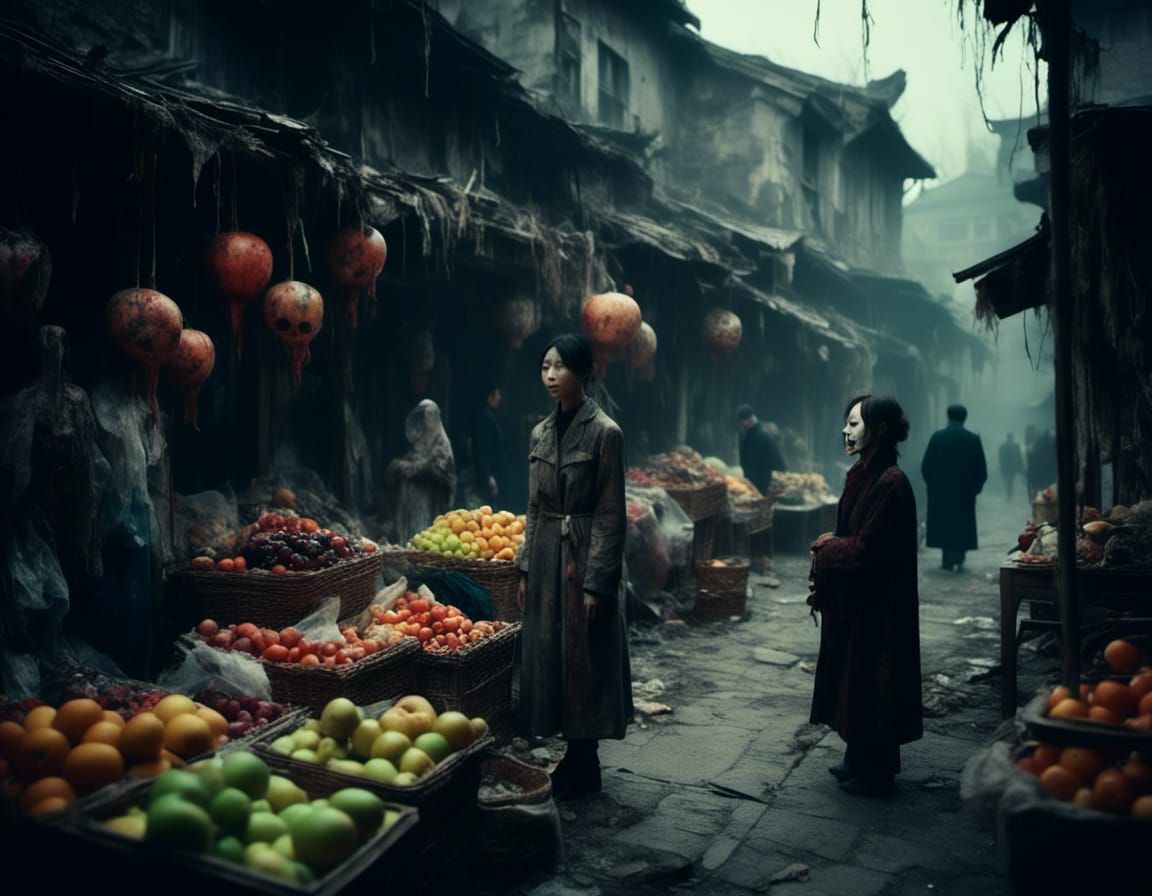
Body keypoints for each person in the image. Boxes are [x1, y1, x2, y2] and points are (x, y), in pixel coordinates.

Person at [516, 333, 633, 800]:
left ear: (583, 372)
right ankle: (569, 751)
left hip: (584, 554)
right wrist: (525, 566)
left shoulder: (605, 432)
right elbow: (531, 506)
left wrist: (597, 583)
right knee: (549, 655)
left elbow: (611, 513)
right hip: (546, 555)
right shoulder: (539, 433)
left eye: (559, 366)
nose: (549, 375)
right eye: (544, 366)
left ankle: (586, 758)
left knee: (587, 656)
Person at [808, 395, 922, 797]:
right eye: (847, 423)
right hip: (860, 600)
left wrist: (828, 550)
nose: (846, 430)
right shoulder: (863, 472)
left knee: (877, 680)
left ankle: (878, 769)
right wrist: (835, 541)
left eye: (855, 424)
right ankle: (856, 754)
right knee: (853, 676)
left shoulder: (890, 481)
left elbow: (868, 550)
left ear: (879, 431)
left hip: (882, 603)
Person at [920, 404, 987, 572]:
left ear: (948, 417)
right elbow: (981, 470)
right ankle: (959, 556)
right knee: (961, 525)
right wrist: (975, 488)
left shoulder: (937, 437)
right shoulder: (972, 439)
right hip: (965, 493)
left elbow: (926, 466)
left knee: (945, 524)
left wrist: (932, 486)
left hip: (941, 493)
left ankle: (947, 558)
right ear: (964, 418)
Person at [383, 399, 456, 544]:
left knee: (425, 533)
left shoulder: (442, 442)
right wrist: (400, 466)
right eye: (425, 415)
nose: (428, 418)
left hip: (430, 497)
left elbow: (439, 470)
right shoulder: (420, 438)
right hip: (411, 500)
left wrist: (411, 468)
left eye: (431, 414)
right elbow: (410, 458)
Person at [736, 405, 786, 495]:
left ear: (745, 421)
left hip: (760, 482)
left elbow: (775, 459)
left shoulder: (758, 435)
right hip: (761, 481)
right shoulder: (760, 432)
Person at [471, 385, 507, 504]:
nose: (499, 398)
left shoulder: (489, 415)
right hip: (487, 476)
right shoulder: (485, 417)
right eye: (497, 394)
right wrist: (488, 477)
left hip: (493, 473)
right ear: (489, 397)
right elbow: (482, 449)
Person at [1027, 426, 1057, 501]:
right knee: (1046, 491)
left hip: (1044, 473)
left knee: (1045, 491)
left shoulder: (1041, 443)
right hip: (1044, 473)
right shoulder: (1045, 442)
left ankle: (1043, 503)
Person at [998, 433, 1025, 500]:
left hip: (1010, 467)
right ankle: (1008, 492)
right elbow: (1000, 458)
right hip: (1006, 466)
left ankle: (1009, 493)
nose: (1010, 439)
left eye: (1010, 438)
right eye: (1009, 438)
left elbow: (1019, 456)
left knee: (1010, 480)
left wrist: (1020, 466)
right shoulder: (1004, 446)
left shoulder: (1014, 446)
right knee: (1007, 480)